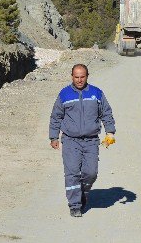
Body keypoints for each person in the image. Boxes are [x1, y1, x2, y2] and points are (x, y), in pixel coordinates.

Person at [49, 64, 116, 217]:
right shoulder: (64, 94)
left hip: (91, 141)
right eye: (76, 77)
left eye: (82, 77)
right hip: (71, 141)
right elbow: (56, 117)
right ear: (72, 76)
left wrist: (110, 131)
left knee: (91, 173)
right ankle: (75, 206)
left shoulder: (96, 93)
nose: (79, 80)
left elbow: (106, 113)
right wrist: (53, 136)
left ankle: (83, 192)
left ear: (87, 76)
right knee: (72, 172)